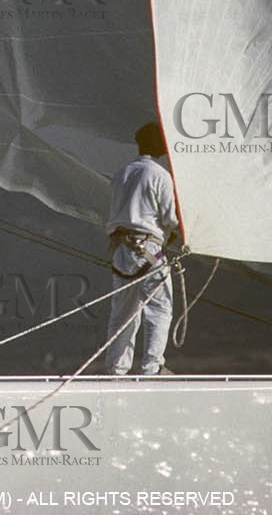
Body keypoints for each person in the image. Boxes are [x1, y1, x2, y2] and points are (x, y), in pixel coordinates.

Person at [103, 120, 181, 376]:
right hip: (148, 248)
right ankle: (152, 368)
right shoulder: (159, 175)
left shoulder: (122, 173)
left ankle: (116, 369)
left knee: (123, 313)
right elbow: (170, 218)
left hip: (120, 250)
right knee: (160, 309)